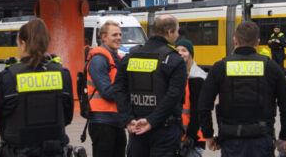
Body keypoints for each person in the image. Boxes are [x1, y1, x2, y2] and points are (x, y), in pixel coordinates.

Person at [198, 21, 286, 157]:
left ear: (235, 40)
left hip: (231, 140)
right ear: (257, 42)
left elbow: (204, 105)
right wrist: (285, 136)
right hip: (262, 139)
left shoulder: (220, 67)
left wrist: (208, 135)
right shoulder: (271, 67)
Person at [0, 18, 74, 156]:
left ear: (23, 43)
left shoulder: (9, 76)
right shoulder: (62, 74)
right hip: (54, 151)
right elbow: (67, 117)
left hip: (19, 151)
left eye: (17, 43)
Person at [113, 14, 186, 157]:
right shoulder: (174, 60)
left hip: (136, 128)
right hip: (164, 130)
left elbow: (119, 89)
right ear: (170, 32)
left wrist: (128, 119)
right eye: (177, 31)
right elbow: (173, 96)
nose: (178, 35)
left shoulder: (131, 56)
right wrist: (151, 121)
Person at [86, 20, 125, 157]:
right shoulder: (99, 59)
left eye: (120, 34)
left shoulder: (116, 58)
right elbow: (107, 92)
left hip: (116, 121)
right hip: (102, 122)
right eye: (114, 35)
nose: (119, 37)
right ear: (103, 37)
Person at [175, 39, 207, 157]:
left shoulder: (197, 77)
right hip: (177, 137)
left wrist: (191, 137)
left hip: (193, 139)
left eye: (184, 50)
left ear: (190, 54)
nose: (180, 53)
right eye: (177, 50)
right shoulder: (175, 75)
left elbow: (198, 112)